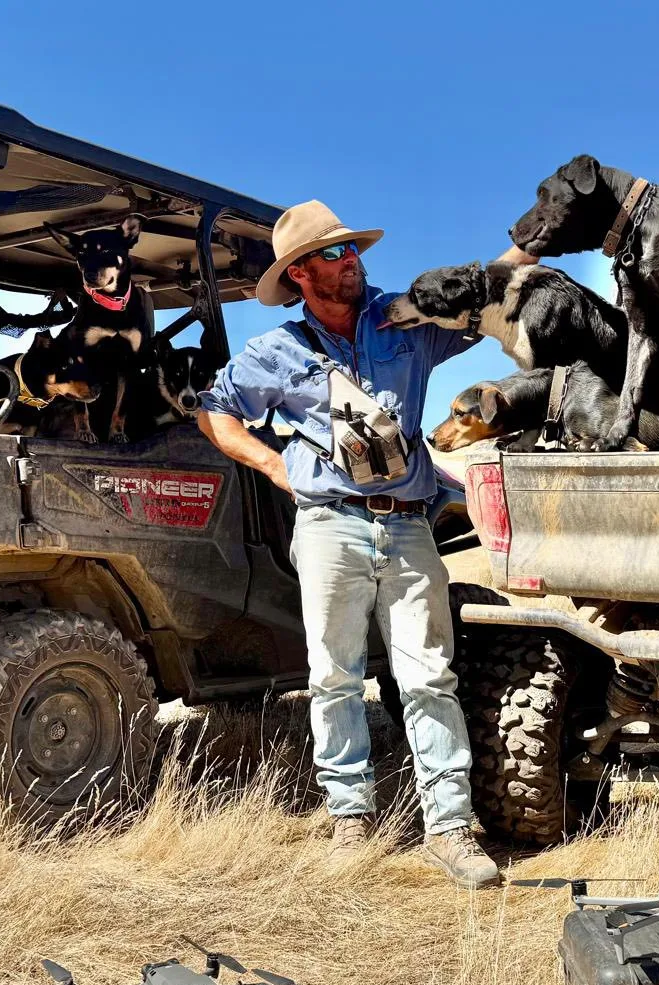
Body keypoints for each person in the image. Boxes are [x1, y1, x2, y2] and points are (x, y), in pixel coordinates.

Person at [196, 200, 510, 888]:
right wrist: (273, 465)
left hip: (409, 525)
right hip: (329, 525)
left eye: (352, 250)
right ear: (300, 273)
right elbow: (215, 410)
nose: (352, 262)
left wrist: (525, 249)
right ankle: (350, 819)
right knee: (334, 677)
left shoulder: (404, 320)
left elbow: (482, 301)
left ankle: (450, 829)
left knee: (428, 676)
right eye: (334, 254)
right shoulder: (277, 352)